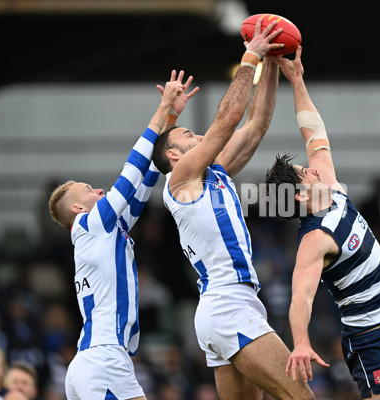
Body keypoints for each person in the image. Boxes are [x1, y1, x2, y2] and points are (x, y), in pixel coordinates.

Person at [263, 46, 380, 399]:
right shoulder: (314, 238)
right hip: (371, 339)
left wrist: (297, 80)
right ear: (299, 196)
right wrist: (300, 343)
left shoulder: (331, 188)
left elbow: (314, 133)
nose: (312, 167)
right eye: (304, 173)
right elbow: (301, 296)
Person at [151, 17, 314, 400]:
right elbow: (226, 120)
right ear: (174, 155)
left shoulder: (214, 173)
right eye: (189, 134)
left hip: (227, 307)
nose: (200, 135)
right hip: (228, 305)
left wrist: (273, 61)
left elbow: (256, 123)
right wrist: (250, 58)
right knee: (303, 397)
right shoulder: (180, 179)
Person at [47, 71, 198, 400]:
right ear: (76, 208)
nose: (98, 189)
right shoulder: (90, 224)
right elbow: (131, 172)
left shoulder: (105, 231)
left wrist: (172, 116)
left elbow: (146, 181)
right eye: (89, 189)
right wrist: (161, 109)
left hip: (96, 360)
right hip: (104, 357)